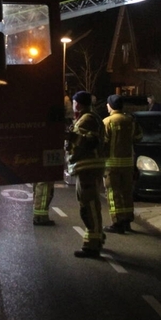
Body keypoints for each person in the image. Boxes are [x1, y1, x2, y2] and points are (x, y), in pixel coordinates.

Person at [66, 90, 105, 258]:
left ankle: (93, 246)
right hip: (86, 168)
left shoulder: (88, 119)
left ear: (79, 104)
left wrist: (70, 137)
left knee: (89, 206)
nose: (72, 105)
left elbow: (89, 142)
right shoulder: (88, 118)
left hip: (88, 168)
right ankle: (95, 238)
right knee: (88, 205)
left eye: (74, 102)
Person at [102, 94, 142, 234]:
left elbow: (102, 143)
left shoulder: (107, 122)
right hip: (128, 164)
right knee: (127, 193)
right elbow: (139, 137)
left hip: (111, 165)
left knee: (113, 194)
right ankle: (127, 221)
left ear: (111, 106)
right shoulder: (130, 120)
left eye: (107, 104)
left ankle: (117, 222)